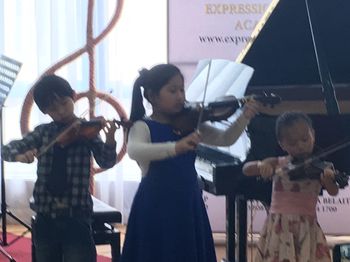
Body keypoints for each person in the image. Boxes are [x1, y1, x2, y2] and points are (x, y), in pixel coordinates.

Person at [121, 63, 261, 262]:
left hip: (187, 202)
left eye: (181, 89)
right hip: (156, 204)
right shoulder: (143, 126)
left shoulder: (189, 123)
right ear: (152, 96)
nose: (180, 96)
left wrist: (245, 116)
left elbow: (225, 139)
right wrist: (176, 147)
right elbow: (134, 150)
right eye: (172, 90)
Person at [1, 75, 118, 262]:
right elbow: (5, 150)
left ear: (73, 96)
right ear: (45, 111)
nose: (61, 112)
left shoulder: (87, 131)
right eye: (53, 109)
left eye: (64, 103)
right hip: (45, 215)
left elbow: (106, 161)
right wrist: (19, 156)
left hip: (77, 215)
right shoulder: (43, 133)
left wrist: (110, 140)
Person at [243, 111, 339, 262]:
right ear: (282, 144)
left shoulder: (323, 167)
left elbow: (333, 191)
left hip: (306, 227)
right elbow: (246, 169)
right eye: (293, 143)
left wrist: (328, 180)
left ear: (313, 134)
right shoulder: (279, 163)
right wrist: (261, 165)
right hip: (280, 227)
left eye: (305, 139)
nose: (300, 146)